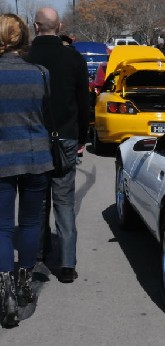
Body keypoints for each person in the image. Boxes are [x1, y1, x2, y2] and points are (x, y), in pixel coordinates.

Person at [26, 7, 89, 283]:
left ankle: (38, 252)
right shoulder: (73, 58)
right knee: (64, 201)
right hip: (66, 137)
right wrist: (82, 138)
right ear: (59, 25)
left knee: (37, 201)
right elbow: (84, 104)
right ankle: (66, 264)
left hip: (35, 138)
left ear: (35, 27)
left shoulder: (26, 59)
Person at [0, 14, 53, 327]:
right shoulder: (41, 73)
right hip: (35, 157)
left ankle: (5, 289)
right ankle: (23, 284)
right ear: (23, 39)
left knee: (3, 227)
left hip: (2, 157)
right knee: (30, 222)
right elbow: (45, 114)